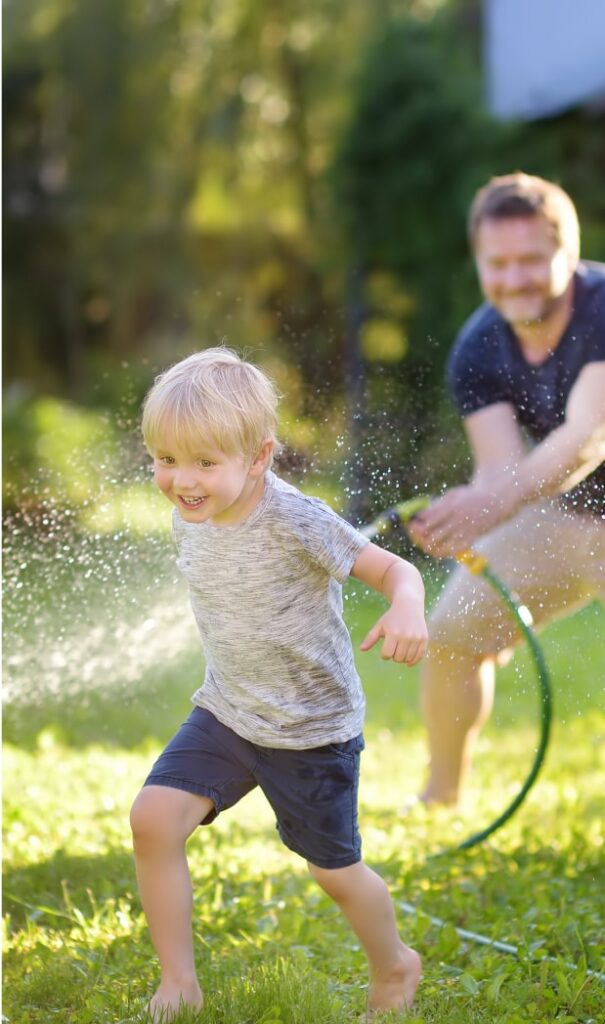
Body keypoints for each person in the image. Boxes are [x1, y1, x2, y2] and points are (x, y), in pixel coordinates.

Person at [130, 347, 428, 1022]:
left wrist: (406, 607)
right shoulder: (191, 508)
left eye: (205, 463)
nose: (182, 480)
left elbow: (395, 574)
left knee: (334, 873)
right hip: (229, 713)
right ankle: (179, 981)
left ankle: (395, 966)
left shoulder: (296, 518)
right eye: (165, 459)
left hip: (310, 731)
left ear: (259, 457)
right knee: (152, 820)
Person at [407, 172, 605, 806]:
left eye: (530, 260)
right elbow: (499, 470)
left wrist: (494, 503)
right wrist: (463, 519)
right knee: (454, 634)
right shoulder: (478, 346)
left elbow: (589, 436)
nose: (513, 278)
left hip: (577, 486)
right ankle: (440, 798)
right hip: (570, 517)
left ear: (568, 254)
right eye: (498, 263)